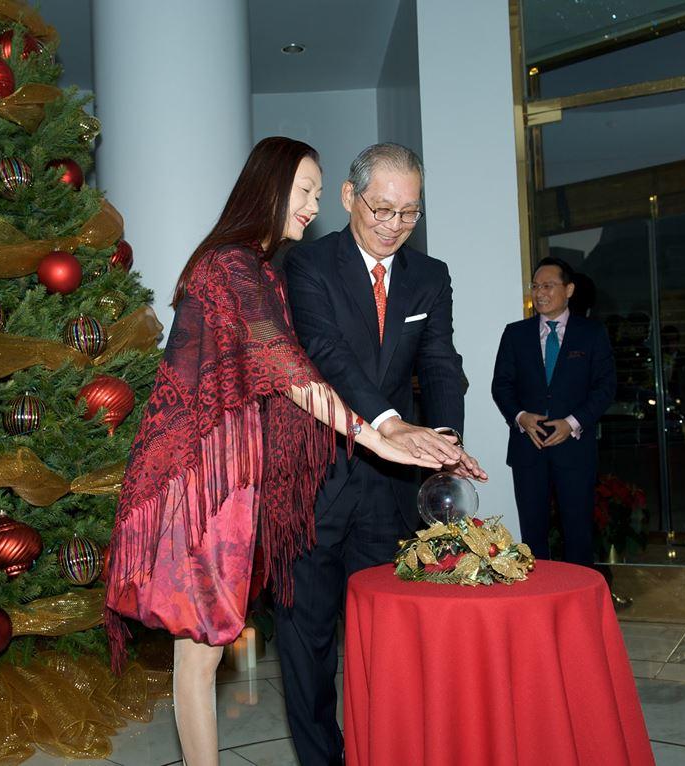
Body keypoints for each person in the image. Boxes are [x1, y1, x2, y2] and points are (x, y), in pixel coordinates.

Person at [103, 137, 469, 766]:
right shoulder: (229, 267)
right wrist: (380, 434)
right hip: (207, 475)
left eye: (318, 194)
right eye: (305, 192)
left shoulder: (263, 268)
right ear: (270, 188)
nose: (312, 205)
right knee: (203, 643)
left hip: (247, 474)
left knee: (209, 641)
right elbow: (292, 369)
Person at [279, 142, 486, 766]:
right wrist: (393, 426)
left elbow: (441, 362)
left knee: (386, 637)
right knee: (307, 640)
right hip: (313, 479)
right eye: (382, 210)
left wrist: (444, 440)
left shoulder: (431, 276)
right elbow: (325, 352)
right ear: (349, 198)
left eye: (410, 213)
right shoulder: (306, 265)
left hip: (387, 492)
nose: (395, 226)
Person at [492, 256, 616, 566]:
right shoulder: (515, 334)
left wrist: (572, 423)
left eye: (548, 285)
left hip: (574, 449)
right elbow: (501, 385)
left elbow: (605, 388)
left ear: (569, 289)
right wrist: (521, 417)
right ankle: (537, 605)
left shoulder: (592, 333)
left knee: (578, 534)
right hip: (528, 448)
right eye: (535, 286)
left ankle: (578, 607)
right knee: (532, 538)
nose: (540, 292)